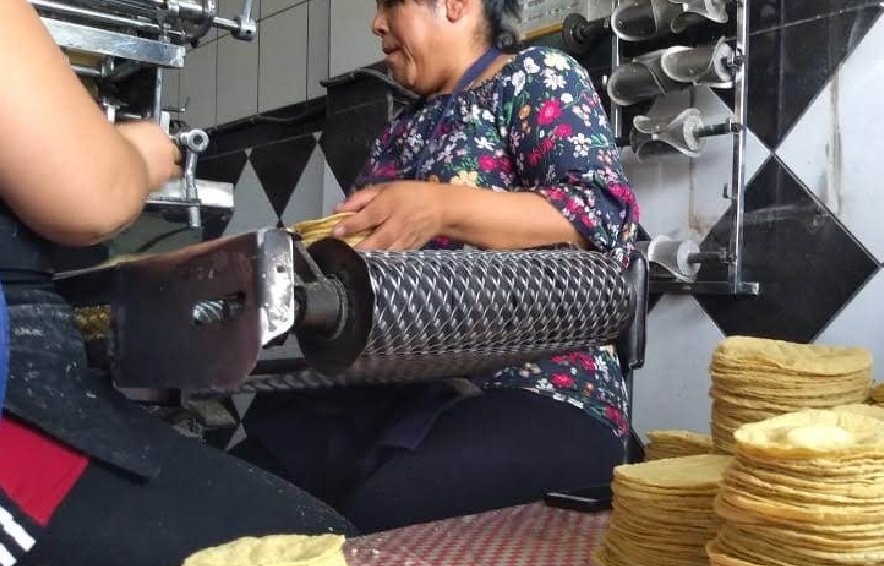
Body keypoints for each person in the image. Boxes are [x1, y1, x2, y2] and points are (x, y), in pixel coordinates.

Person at [0, 0, 356, 566]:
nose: (380, 24)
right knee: (327, 558)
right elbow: (91, 195)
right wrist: (134, 150)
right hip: (2, 429)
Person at [231, 0, 642, 532]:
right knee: (252, 485)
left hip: (537, 387)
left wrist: (441, 207)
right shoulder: (400, 131)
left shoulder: (536, 77)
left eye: (389, 5)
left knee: (388, 512)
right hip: (393, 386)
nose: (376, 23)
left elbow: (603, 213)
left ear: (455, 4)